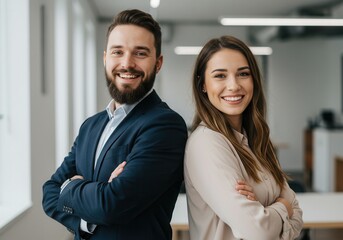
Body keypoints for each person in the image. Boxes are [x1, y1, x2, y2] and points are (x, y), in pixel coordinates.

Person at [42, 9, 188, 240]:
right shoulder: (90, 126)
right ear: (105, 58)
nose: (127, 63)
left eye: (140, 53)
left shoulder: (165, 126)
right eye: (117, 52)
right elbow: (49, 194)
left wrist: (69, 187)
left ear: (158, 63)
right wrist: (87, 217)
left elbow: (111, 205)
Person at [184, 35, 303, 240]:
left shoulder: (257, 139)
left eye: (243, 74)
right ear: (203, 84)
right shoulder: (206, 143)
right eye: (220, 76)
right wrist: (283, 206)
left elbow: (298, 213)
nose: (234, 86)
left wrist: (269, 213)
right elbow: (261, 231)